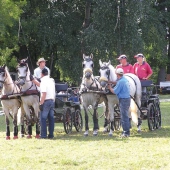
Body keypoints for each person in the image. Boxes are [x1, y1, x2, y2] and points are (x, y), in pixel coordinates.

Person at [30, 68, 55, 139]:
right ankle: (51, 135)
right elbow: (40, 85)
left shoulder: (43, 81)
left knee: (43, 119)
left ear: (42, 74)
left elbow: (44, 93)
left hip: (46, 101)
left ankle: (43, 135)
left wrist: (41, 103)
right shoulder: (51, 80)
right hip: (51, 101)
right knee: (51, 119)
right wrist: (33, 80)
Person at [108, 68, 131, 137]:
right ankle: (126, 130)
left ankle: (126, 132)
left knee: (124, 116)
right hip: (127, 99)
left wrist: (109, 87)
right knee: (125, 115)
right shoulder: (124, 80)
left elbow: (114, 91)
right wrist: (111, 82)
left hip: (123, 100)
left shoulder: (121, 82)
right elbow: (117, 82)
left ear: (117, 74)